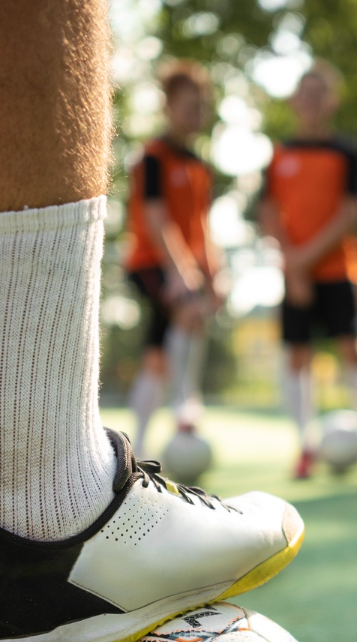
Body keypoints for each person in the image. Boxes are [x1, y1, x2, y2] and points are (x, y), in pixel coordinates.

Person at [0, 0, 303, 642]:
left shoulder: (200, 164)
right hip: (158, 271)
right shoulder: (159, 158)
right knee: (161, 356)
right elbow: (158, 221)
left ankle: (39, 517)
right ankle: (64, 508)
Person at [259, 61, 357, 481]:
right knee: (297, 356)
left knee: (356, 349)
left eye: (322, 93)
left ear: (332, 102)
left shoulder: (347, 152)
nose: (313, 101)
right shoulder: (280, 153)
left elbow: (349, 214)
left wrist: (303, 260)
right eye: (306, 92)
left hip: (341, 271)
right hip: (296, 275)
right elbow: (268, 212)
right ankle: (305, 448)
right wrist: (294, 266)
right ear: (295, 100)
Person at [122, 61, 224, 456]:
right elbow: (155, 219)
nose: (195, 113)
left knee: (157, 353)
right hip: (150, 262)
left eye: (201, 105)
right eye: (187, 105)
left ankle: (138, 448)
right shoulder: (151, 157)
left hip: (185, 268)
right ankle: (186, 406)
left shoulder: (199, 166)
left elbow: (201, 227)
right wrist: (179, 271)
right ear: (167, 107)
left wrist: (214, 271)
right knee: (188, 314)